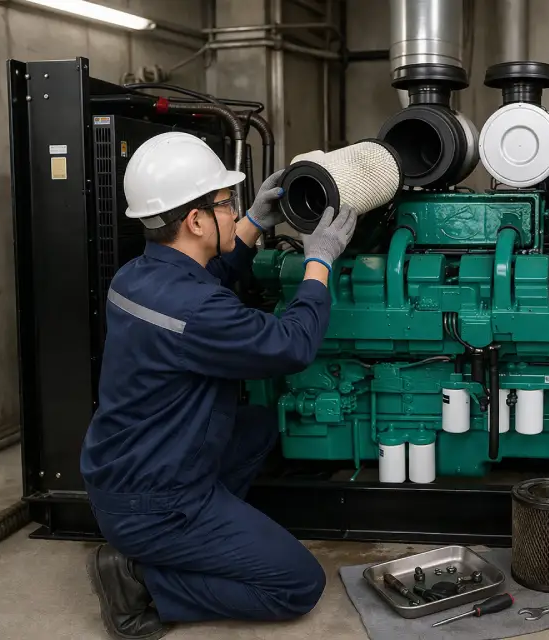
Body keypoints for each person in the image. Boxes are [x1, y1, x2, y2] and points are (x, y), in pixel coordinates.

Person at [79, 131, 356, 640]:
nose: (234, 211)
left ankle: (208, 532)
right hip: (156, 502)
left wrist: (254, 222)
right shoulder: (193, 309)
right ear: (195, 220)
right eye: (227, 204)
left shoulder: (137, 276)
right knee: (298, 585)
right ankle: (142, 580)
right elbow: (291, 345)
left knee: (254, 426)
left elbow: (208, 277)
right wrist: (320, 260)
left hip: (121, 471)